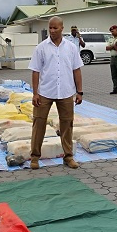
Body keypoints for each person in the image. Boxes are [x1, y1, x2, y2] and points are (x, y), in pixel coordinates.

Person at [29, 16, 84, 170]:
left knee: (67, 124)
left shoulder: (71, 48)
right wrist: (35, 93)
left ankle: (68, 157)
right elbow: (35, 71)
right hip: (45, 92)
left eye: (55, 28)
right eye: (50, 28)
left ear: (62, 28)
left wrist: (79, 92)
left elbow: (77, 70)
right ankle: (34, 157)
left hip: (66, 92)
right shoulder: (41, 47)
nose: (52, 31)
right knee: (39, 123)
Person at [106, 25, 117, 94]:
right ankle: (115, 88)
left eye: (113, 31)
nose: (112, 33)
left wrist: (113, 47)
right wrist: (114, 46)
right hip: (112, 58)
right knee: (113, 75)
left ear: (116, 30)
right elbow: (107, 48)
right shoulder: (110, 38)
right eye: (111, 32)